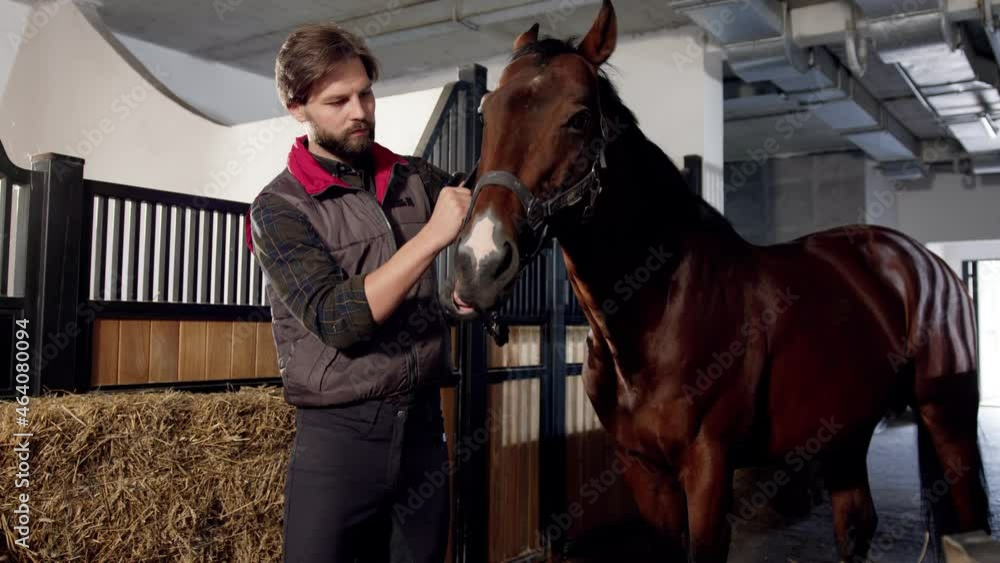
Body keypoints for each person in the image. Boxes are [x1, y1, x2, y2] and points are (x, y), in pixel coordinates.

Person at [245, 22, 471, 563]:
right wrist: (433, 239)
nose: (360, 111)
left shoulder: (415, 178)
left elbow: (491, 219)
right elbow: (336, 319)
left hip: (422, 430)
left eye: (365, 93)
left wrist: (453, 299)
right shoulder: (278, 208)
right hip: (338, 441)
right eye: (338, 100)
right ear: (297, 108)